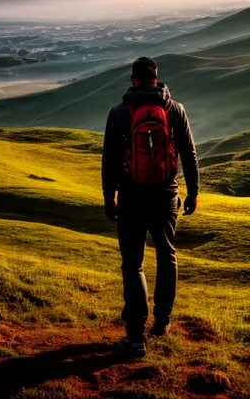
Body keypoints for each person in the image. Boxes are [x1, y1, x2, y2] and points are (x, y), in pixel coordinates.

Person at [102, 56, 199, 357]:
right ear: (156, 80)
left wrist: (109, 197)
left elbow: (110, 161)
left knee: (133, 263)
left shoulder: (119, 113)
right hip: (166, 195)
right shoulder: (176, 110)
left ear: (133, 80)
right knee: (167, 255)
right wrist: (193, 192)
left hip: (131, 197)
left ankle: (134, 337)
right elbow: (189, 153)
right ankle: (162, 322)